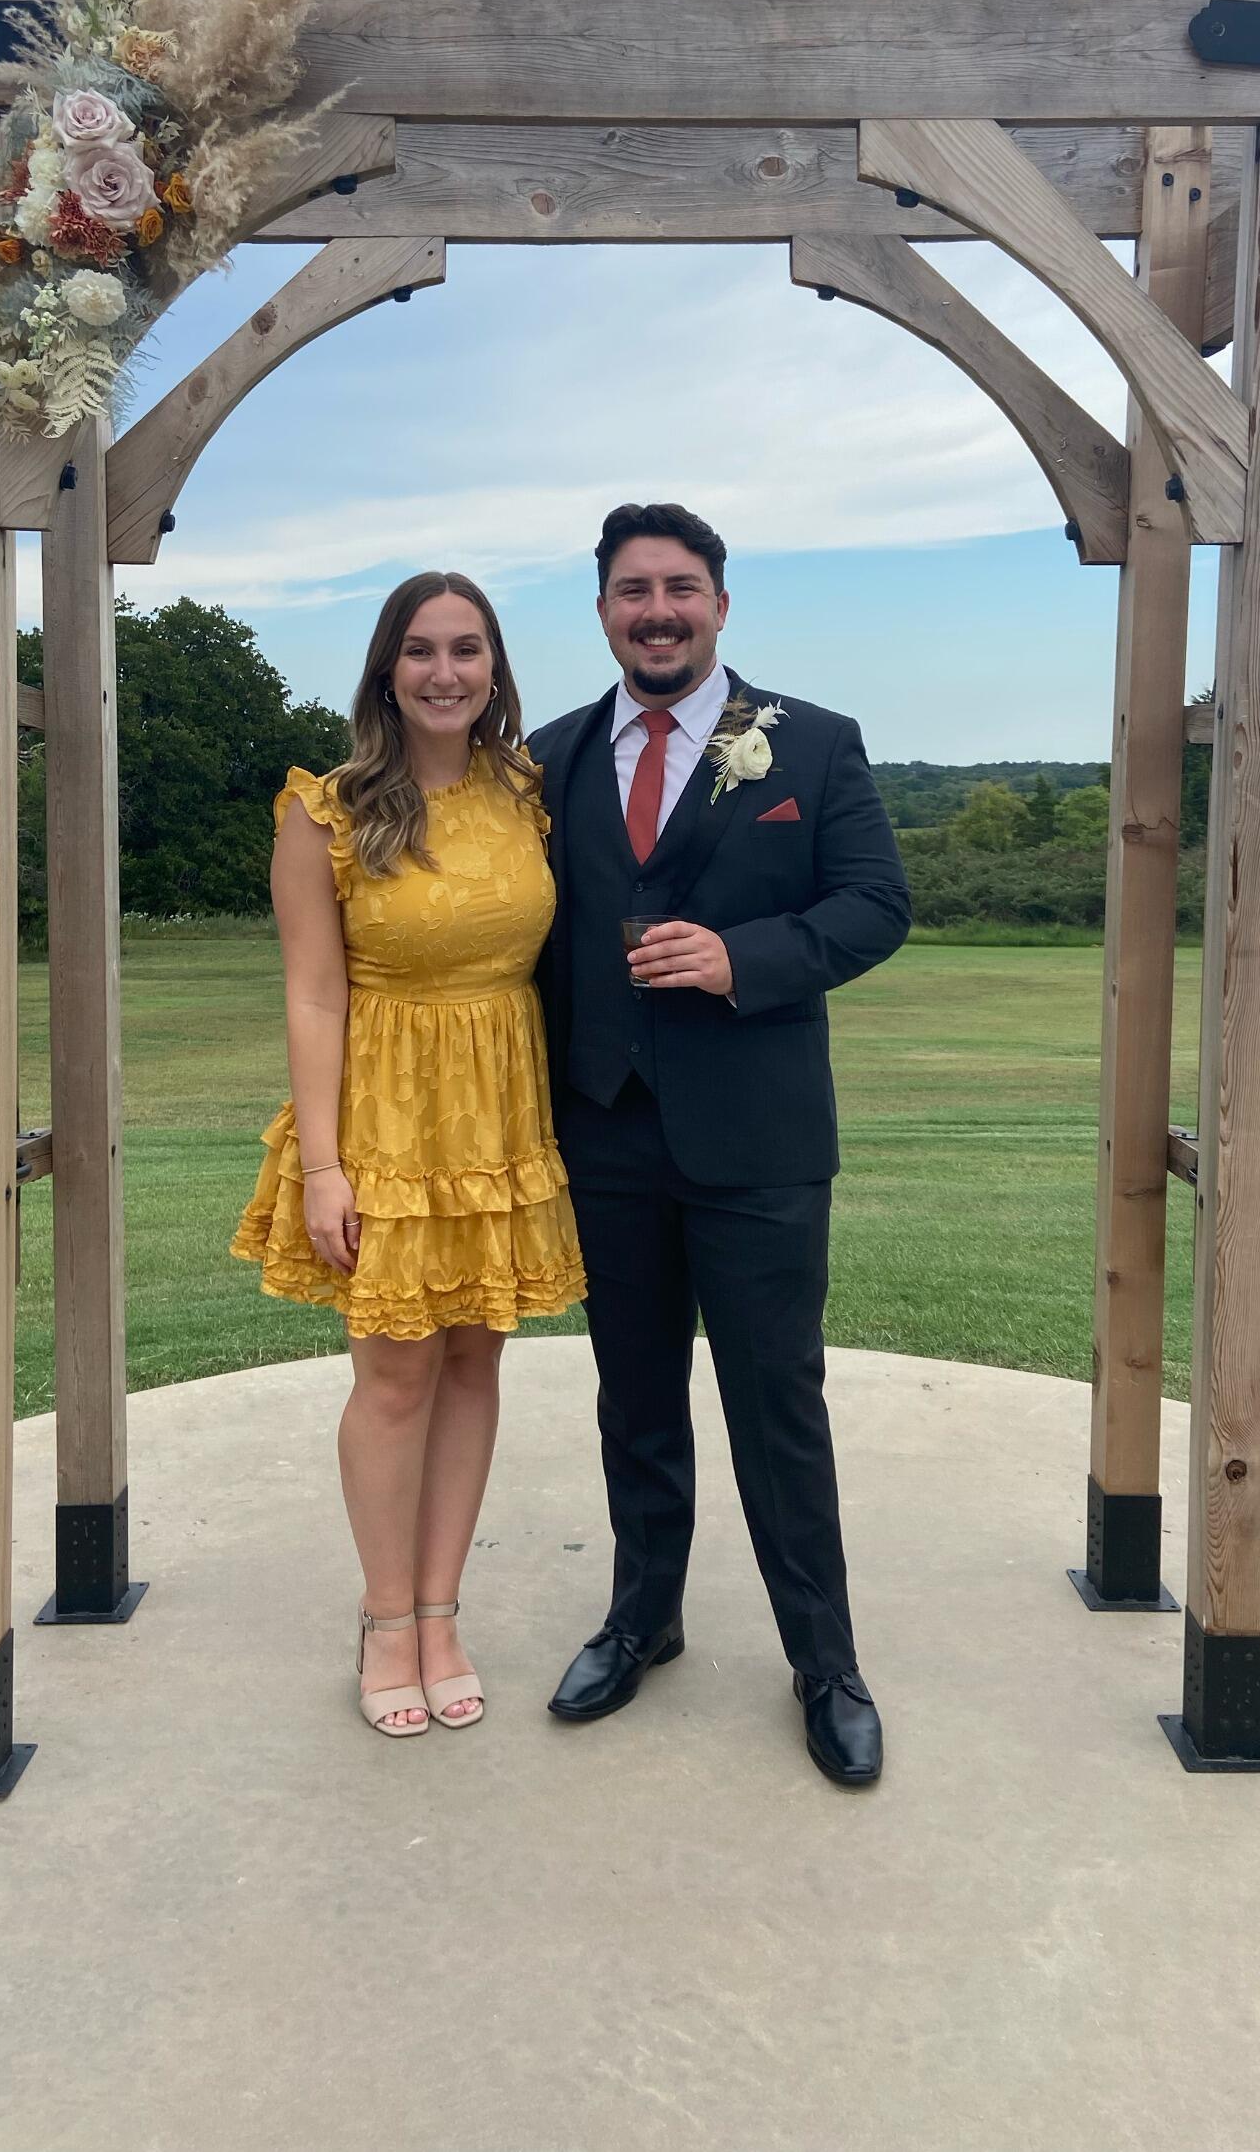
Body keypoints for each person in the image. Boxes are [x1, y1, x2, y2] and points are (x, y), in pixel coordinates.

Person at [530, 503, 910, 1786]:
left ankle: (827, 1662)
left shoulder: (812, 743)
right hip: (606, 1135)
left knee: (775, 1403)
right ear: (603, 611)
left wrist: (742, 957)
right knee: (634, 1398)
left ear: (721, 605)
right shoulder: (548, 758)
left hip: (757, 1143)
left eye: (680, 587)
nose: (658, 611)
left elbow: (877, 905)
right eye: (633, 590)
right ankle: (644, 1618)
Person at [231, 572, 586, 1737]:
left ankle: (442, 1612)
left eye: (466, 649)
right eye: (422, 650)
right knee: (394, 1377)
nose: (445, 672)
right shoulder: (326, 810)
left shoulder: (528, 793)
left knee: (476, 1363)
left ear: (495, 667)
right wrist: (326, 1166)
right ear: (388, 668)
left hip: (498, 1118)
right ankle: (386, 1619)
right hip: (383, 1115)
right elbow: (312, 994)